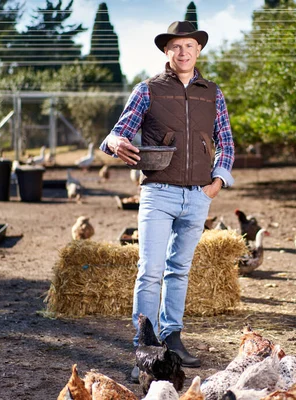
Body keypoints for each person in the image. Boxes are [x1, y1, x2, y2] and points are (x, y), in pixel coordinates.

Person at [100, 21, 235, 379]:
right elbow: (117, 133)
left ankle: (172, 338)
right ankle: (145, 347)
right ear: (167, 52)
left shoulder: (213, 93)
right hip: (158, 192)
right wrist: (115, 144)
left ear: (199, 50)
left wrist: (217, 182)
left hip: (198, 195)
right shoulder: (148, 90)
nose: (183, 52)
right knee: (151, 271)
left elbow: (227, 143)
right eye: (176, 47)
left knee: (179, 270)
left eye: (189, 46)